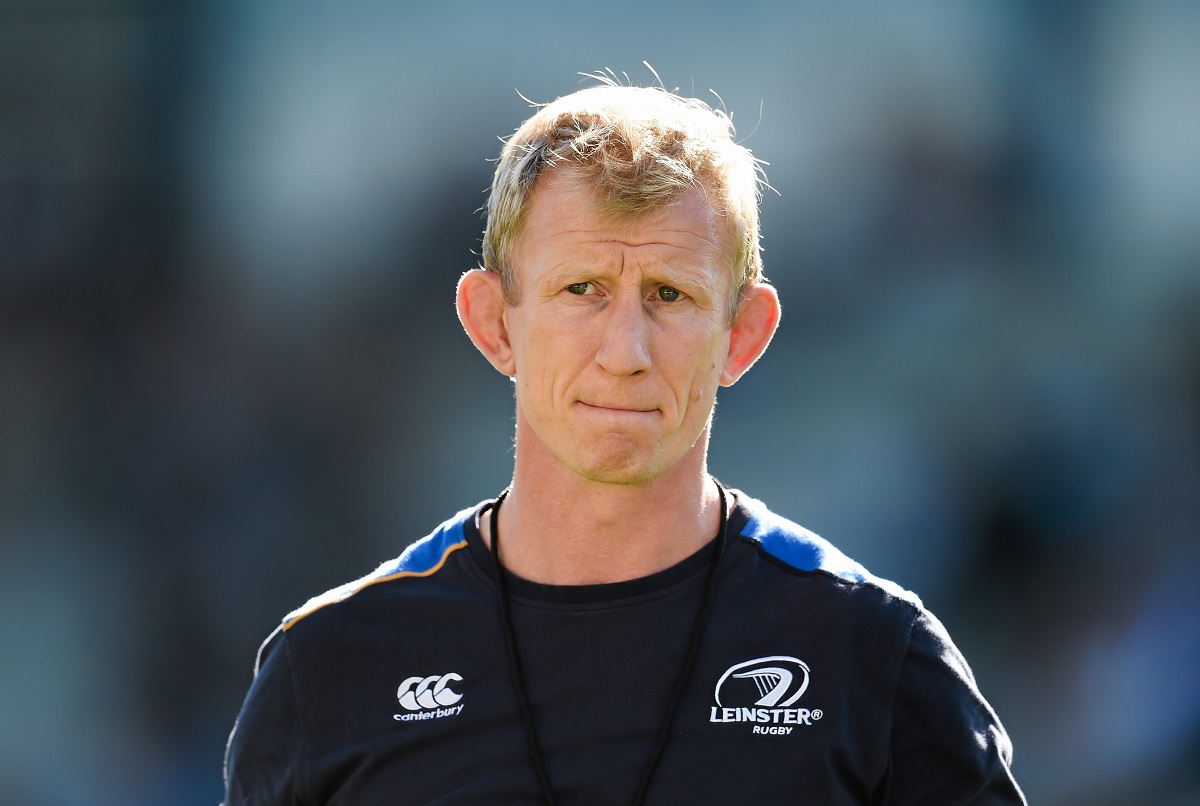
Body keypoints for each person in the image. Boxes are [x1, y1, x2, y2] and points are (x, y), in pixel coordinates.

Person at [223, 79, 1026, 805]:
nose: (625, 352)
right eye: (582, 290)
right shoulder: (330, 669)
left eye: (670, 295)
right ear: (493, 323)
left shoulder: (872, 657)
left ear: (743, 335)